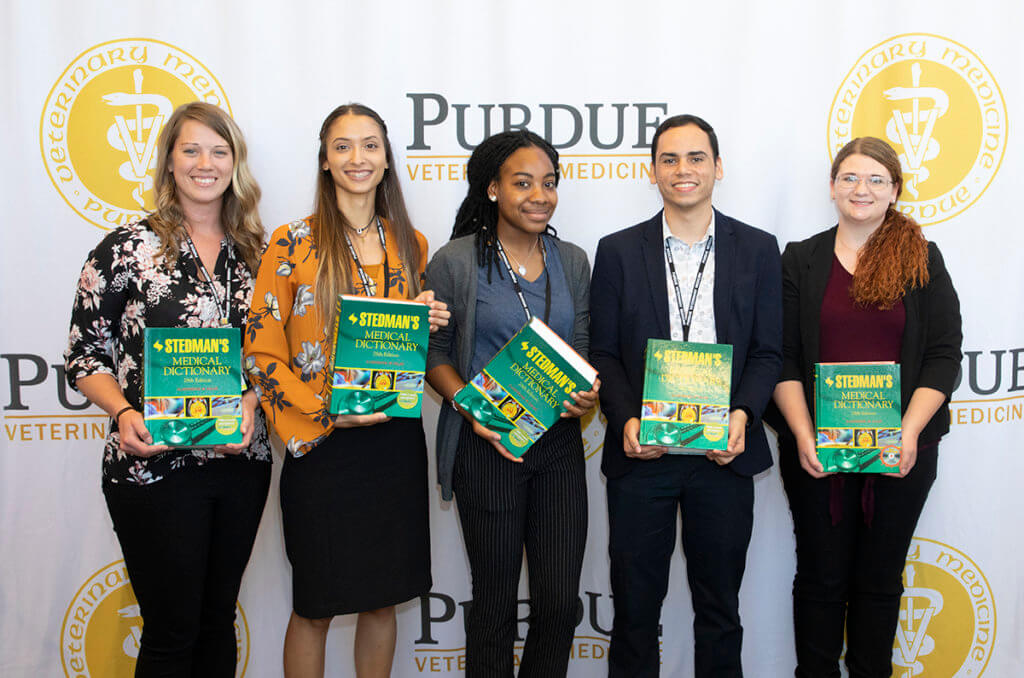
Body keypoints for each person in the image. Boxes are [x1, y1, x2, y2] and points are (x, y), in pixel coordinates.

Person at [64, 101, 271, 677]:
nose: (206, 164)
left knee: (217, 624)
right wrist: (123, 410)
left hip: (238, 463)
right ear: (169, 162)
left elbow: (275, 355)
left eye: (219, 151)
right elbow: (84, 355)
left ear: (236, 164)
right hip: (152, 466)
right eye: (191, 150)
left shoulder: (260, 254)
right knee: (172, 632)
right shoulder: (124, 250)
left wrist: (254, 398)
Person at [244, 103, 448, 678]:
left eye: (369, 145)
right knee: (316, 605)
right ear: (325, 161)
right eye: (342, 146)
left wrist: (422, 318)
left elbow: (402, 345)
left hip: (393, 444)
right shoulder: (290, 243)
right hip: (322, 445)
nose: (357, 158)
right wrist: (326, 411)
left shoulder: (413, 243)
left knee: (383, 598)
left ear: (386, 159)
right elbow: (260, 352)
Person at [589, 114, 782, 678]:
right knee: (633, 615)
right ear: (652, 172)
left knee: (720, 610)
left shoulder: (758, 249)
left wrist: (743, 415)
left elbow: (769, 352)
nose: (683, 170)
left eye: (696, 158)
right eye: (669, 159)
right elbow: (604, 352)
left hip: (723, 456)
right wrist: (625, 419)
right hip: (642, 457)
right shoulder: (619, 251)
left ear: (718, 168)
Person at [769, 136, 962, 677]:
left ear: (895, 190)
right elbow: (782, 357)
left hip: (902, 450)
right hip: (815, 452)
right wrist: (803, 436)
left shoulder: (921, 256)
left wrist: (907, 432)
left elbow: (944, 355)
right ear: (832, 187)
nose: (862, 189)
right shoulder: (801, 259)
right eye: (851, 177)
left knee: (879, 581)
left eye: (877, 179)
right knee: (820, 581)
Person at [425, 129, 600, 677]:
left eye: (548, 183)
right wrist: (475, 411)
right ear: (493, 189)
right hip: (488, 448)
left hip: (559, 451)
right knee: (495, 605)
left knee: (557, 604)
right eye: (522, 183)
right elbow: (432, 355)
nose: (539, 196)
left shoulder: (571, 260)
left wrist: (587, 393)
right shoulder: (455, 261)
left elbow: (586, 349)